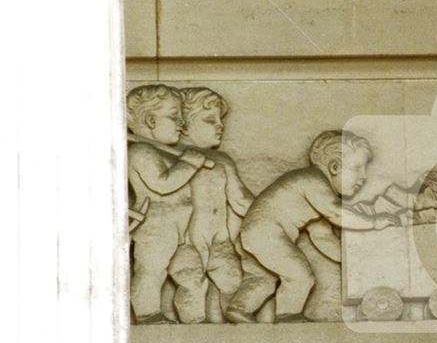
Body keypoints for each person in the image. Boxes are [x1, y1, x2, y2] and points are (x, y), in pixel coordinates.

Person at [224, 130, 398, 323]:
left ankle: (239, 308)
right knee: (301, 277)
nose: (363, 177)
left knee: (262, 278)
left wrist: (352, 262)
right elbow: (336, 213)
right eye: (357, 168)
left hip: (253, 235)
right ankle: (287, 316)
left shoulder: (315, 196)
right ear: (334, 166)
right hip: (266, 233)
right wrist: (373, 222)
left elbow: (322, 237)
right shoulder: (313, 180)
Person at [168, 87, 255, 323]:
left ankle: (237, 324)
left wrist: (272, 217)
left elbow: (241, 200)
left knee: (233, 280)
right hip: (185, 240)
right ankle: (195, 329)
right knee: (191, 282)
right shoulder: (170, 159)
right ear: (182, 125)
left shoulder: (221, 160)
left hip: (220, 239)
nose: (220, 126)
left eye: (220, 120)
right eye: (209, 120)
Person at [126, 84, 205, 324]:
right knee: (151, 271)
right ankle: (148, 314)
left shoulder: (164, 152)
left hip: (181, 229)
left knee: (192, 275)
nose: (182, 123)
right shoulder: (141, 152)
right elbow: (162, 184)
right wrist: (189, 164)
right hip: (156, 226)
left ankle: (194, 319)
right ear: (150, 120)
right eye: (174, 117)